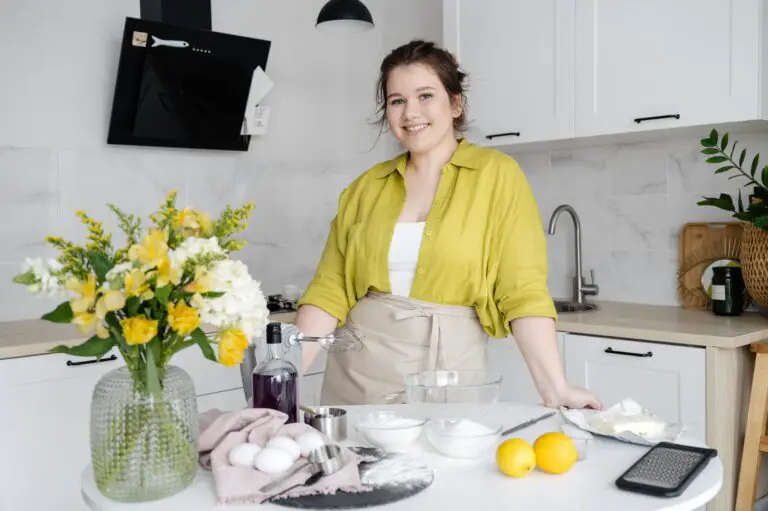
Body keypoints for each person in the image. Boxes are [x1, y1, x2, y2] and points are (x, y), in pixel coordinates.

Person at [293, 39, 602, 410]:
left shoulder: (497, 176)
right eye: (397, 100)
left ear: (455, 104)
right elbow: (329, 292)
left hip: (450, 377)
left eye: (425, 96)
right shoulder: (364, 189)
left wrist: (556, 388)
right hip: (357, 379)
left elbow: (523, 290)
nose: (411, 112)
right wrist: (282, 380)